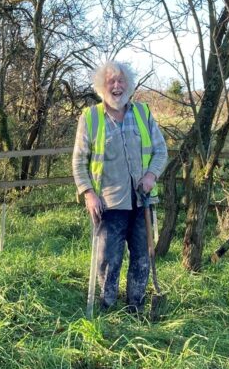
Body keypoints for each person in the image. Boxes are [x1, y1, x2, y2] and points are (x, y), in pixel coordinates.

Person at [72, 61, 168, 313]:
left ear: (129, 85)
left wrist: (151, 176)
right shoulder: (90, 117)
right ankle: (107, 306)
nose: (116, 86)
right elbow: (78, 161)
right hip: (108, 203)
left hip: (142, 201)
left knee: (142, 257)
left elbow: (160, 151)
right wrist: (89, 193)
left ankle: (135, 305)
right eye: (111, 81)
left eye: (121, 81)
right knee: (108, 260)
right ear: (101, 87)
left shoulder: (143, 113)